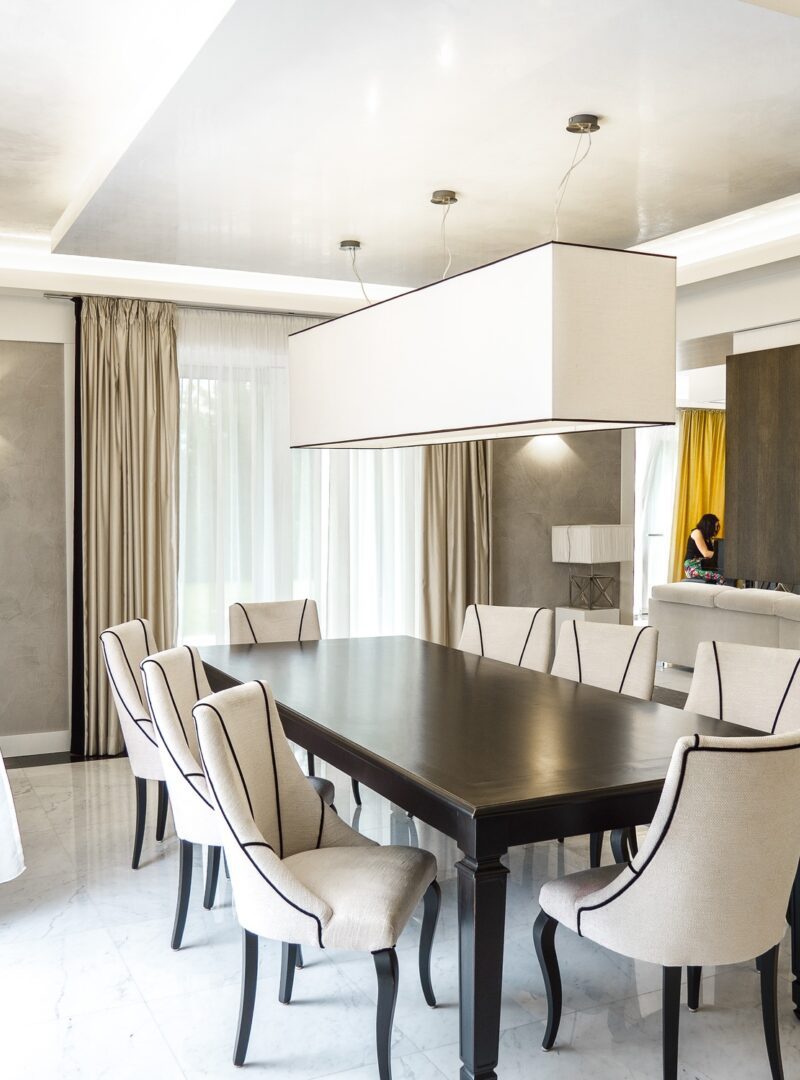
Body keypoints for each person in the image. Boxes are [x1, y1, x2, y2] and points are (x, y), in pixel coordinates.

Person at [684, 513, 724, 584]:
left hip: (703, 565)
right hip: (692, 567)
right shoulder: (697, 532)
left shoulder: (707, 538)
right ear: (709, 525)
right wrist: (723, 555)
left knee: (725, 574)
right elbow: (706, 553)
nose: (716, 529)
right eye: (715, 526)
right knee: (719, 576)